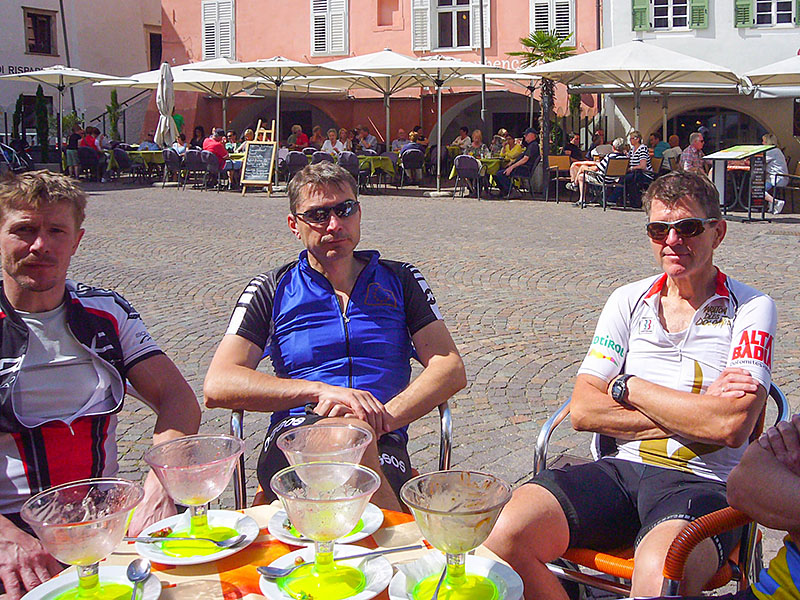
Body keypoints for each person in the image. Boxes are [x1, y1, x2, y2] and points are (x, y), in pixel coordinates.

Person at [486, 170, 777, 600]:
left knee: (660, 579)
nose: (672, 241)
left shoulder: (753, 307)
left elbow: (732, 427)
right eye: (659, 229)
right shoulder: (628, 299)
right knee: (502, 536)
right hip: (620, 471)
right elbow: (584, 410)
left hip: (703, 483)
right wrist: (698, 415)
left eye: (688, 228)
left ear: (719, 233)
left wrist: (627, 386)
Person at [203, 162, 466, 512]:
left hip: (384, 437)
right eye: (317, 215)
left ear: (359, 212)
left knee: (353, 438)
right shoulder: (272, 289)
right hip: (294, 437)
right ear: (293, 225)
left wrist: (380, 420)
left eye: (345, 209)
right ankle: (400, 549)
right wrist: (320, 390)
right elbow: (218, 384)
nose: (335, 225)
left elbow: (449, 366)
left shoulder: (401, 281)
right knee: (346, 439)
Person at [0, 171, 201, 599]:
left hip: (103, 527)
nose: (40, 245)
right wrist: (3, 536)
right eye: (24, 230)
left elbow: (177, 398)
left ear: (76, 240)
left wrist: (158, 485)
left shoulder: (104, 312)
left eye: (56, 231)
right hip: (12, 534)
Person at [574, 137, 627, 204]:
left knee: (581, 176)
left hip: (603, 179)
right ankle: (575, 185)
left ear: (613, 147)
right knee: (583, 168)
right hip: (615, 179)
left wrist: (589, 169)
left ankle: (581, 198)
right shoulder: (625, 158)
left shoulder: (610, 157)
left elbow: (598, 168)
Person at [609, 130, 653, 209]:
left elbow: (643, 166)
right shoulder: (632, 149)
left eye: (632, 138)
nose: (630, 140)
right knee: (624, 177)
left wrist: (631, 168)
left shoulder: (642, 148)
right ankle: (619, 199)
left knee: (624, 178)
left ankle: (613, 199)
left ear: (637, 139)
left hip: (644, 174)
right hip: (635, 173)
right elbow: (629, 160)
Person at [495, 128, 540, 197]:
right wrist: (512, 162)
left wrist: (512, 167)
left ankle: (513, 190)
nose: (524, 136)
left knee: (499, 174)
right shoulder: (531, 145)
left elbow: (525, 159)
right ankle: (506, 191)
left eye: (526, 135)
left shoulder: (533, 146)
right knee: (497, 172)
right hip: (521, 168)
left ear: (531, 135)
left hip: (523, 169)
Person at [762, 133, 788, 215]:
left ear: (767, 142)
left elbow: (761, 161)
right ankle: (772, 205)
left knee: (758, 188)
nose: (762, 143)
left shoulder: (772, 151)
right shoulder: (777, 150)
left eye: (764, 141)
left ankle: (775, 202)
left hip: (777, 178)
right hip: (779, 177)